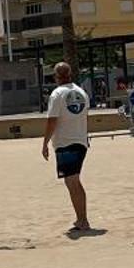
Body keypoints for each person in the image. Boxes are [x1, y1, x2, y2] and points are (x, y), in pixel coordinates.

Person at [39, 61, 97, 237]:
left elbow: (52, 120)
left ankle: (83, 220)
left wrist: (45, 143)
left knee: (72, 182)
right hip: (80, 141)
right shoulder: (81, 92)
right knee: (74, 180)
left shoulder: (57, 94)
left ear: (57, 76)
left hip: (65, 143)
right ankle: (81, 218)